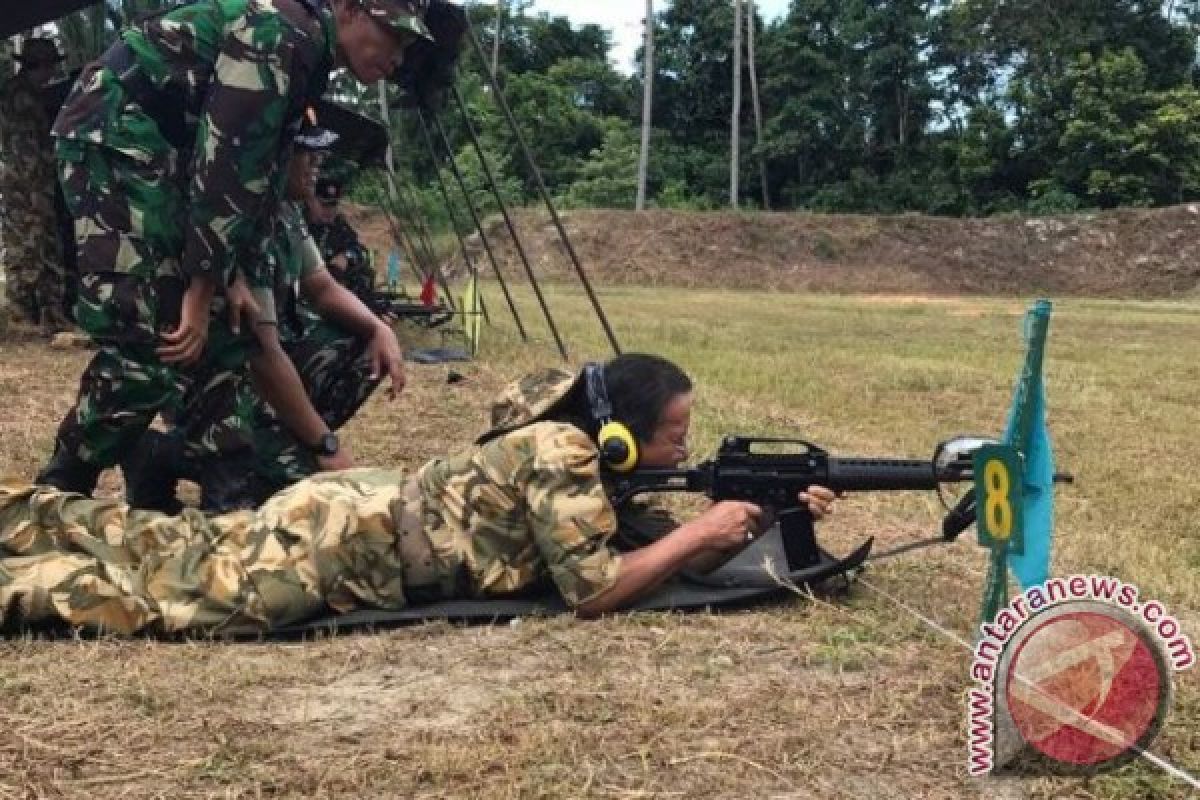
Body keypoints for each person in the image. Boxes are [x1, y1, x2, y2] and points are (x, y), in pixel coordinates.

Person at [0, 354, 840, 635]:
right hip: (335, 549)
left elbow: (629, 547)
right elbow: (593, 591)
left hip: (343, 515)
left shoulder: (567, 447)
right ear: (622, 431)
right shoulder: (563, 449)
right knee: (150, 599)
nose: (682, 450)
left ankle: (19, 507)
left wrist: (746, 523)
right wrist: (702, 535)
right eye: (675, 435)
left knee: (156, 543)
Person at [37, 0, 432, 498]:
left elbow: (257, 179)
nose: (398, 57)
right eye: (393, 35)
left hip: (169, 157)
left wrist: (232, 273)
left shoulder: (306, 54)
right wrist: (203, 288)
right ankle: (61, 486)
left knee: (227, 334)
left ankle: (230, 483)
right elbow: (225, 163)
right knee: (151, 334)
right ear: (351, 9)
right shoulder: (280, 36)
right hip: (119, 136)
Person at [125, 121, 402, 513]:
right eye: (307, 154)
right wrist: (326, 446)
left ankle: (280, 440)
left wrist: (378, 326)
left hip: (257, 384)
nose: (316, 165)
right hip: (214, 389)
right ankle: (163, 452)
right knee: (294, 495)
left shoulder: (286, 212)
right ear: (276, 160)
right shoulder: (245, 222)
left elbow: (322, 287)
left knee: (358, 341)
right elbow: (262, 357)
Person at [0, 37, 72, 334]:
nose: (52, 73)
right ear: (40, 66)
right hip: (26, 185)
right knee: (28, 247)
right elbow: (26, 150)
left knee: (43, 246)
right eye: (50, 66)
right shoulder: (21, 98)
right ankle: (22, 317)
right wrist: (37, 192)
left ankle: (48, 315)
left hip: (29, 184)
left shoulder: (24, 93)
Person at [305, 176, 380, 309]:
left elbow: (359, 250)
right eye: (324, 205)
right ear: (311, 201)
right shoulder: (300, 227)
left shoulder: (339, 227)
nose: (330, 211)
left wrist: (346, 256)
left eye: (333, 205)